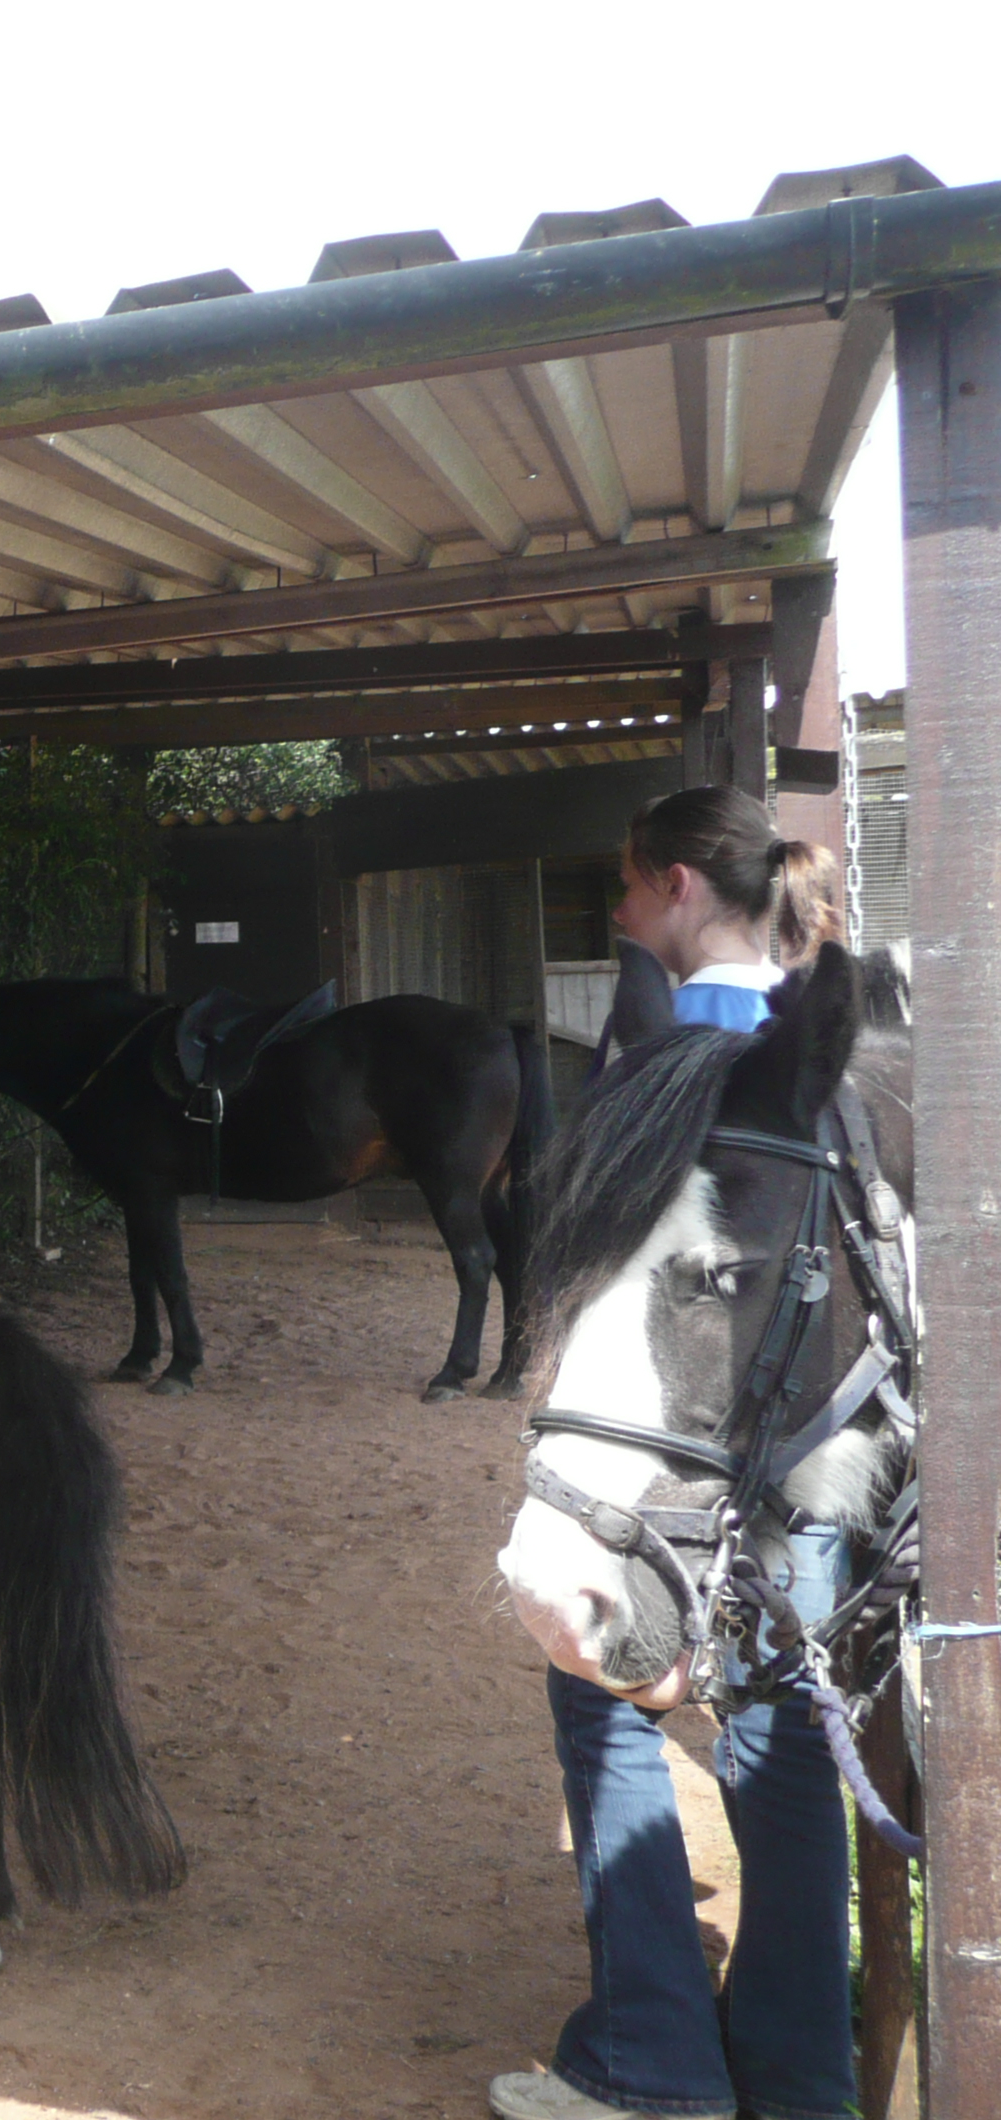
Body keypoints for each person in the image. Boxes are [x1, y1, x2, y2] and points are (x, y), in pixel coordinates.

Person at [494, 785, 850, 2120]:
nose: (623, 913)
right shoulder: (827, 1032)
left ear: (681, 886)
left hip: (686, 1457)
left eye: (631, 889)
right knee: (785, 1744)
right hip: (815, 1462)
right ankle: (797, 2074)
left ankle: (650, 2055)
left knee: (602, 1695)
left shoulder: (678, 1037)